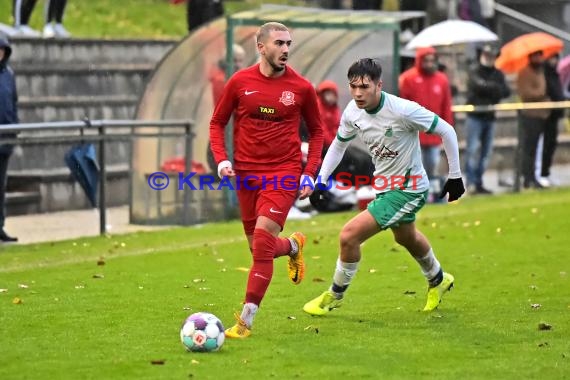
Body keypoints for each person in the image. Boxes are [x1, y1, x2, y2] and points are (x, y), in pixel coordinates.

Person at [303, 58, 464, 316]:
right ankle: (438, 279)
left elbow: (446, 130)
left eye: (364, 87)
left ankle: (334, 295)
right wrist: (321, 178)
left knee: (349, 236)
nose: (357, 93)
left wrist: (455, 176)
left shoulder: (403, 110)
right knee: (405, 237)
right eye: (353, 86)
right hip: (385, 187)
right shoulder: (352, 112)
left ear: (379, 85)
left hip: (409, 189)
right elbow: (338, 145)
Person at [209, 22, 324, 338]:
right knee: (259, 248)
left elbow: (317, 132)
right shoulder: (239, 82)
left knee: (260, 245)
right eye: (279, 43)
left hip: (283, 174)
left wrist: (309, 174)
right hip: (246, 176)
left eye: (289, 43)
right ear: (261, 47)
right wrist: (221, 159)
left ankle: (245, 322)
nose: (286, 49)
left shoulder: (301, 88)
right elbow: (217, 123)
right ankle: (291, 246)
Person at [399, 47, 454, 193]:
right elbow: (403, 108)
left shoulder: (441, 79)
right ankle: (416, 193)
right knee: (416, 166)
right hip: (415, 132)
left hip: (433, 132)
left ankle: (430, 193)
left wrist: (447, 130)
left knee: (432, 165)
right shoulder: (408, 78)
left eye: (432, 60)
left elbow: (446, 106)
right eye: (426, 60)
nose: (429, 64)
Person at [464, 44, 510, 194]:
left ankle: (479, 182)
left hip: (490, 116)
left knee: (486, 152)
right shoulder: (474, 71)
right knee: (472, 150)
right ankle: (471, 182)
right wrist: (493, 89)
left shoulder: (497, 73)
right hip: (475, 115)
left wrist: (490, 88)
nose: (489, 58)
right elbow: (477, 86)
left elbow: (505, 91)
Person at [516, 50, 550, 189]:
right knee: (529, 148)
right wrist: (540, 92)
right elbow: (526, 92)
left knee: (537, 148)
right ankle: (527, 177)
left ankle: (534, 176)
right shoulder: (525, 72)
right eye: (536, 56)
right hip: (530, 114)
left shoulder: (540, 71)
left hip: (541, 114)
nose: (539, 58)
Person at [0, 37, 19, 243]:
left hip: (5, 140)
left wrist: (15, 129)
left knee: (0, 188)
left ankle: (0, 226)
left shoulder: (9, 75)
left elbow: (13, 103)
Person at [536, 53, 564, 187]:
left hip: (555, 114)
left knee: (551, 145)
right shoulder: (544, 73)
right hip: (546, 114)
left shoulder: (554, 73)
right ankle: (541, 173)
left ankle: (546, 172)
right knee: (545, 146)